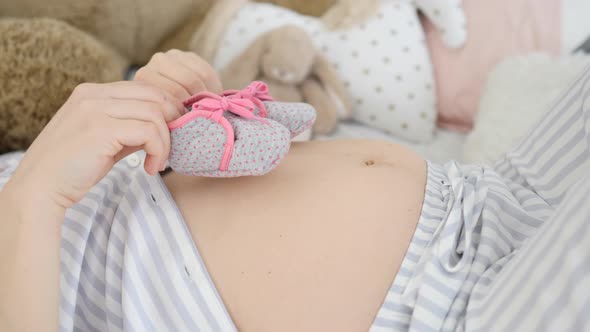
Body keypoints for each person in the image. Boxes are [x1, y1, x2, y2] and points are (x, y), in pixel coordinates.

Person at [1, 49, 588, 332]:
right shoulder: (25, 196)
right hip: (454, 316)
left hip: (492, 193)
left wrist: (169, 110)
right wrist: (33, 198)